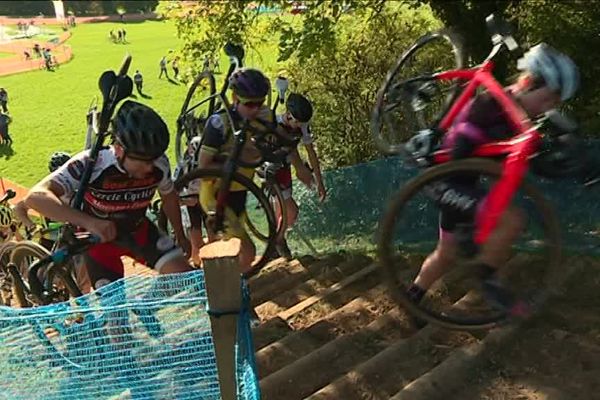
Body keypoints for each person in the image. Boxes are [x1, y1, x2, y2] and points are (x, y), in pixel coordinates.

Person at [404, 43, 580, 320]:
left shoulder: (519, 120)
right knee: (511, 220)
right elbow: (463, 140)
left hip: (461, 185)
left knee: (445, 253)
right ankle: (488, 281)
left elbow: (531, 163)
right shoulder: (491, 103)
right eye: (547, 100)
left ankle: (411, 300)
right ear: (526, 83)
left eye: (554, 105)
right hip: (446, 180)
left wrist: (563, 163)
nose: (547, 109)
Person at [25, 101, 192, 290]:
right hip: (98, 244)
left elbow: (168, 196)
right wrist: (90, 222)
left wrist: (179, 234)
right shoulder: (92, 162)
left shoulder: (158, 162)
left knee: (185, 278)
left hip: (139, 232)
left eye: (153, 160)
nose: (149, 167)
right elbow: (36, 196)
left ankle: (145, 305)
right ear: (119, 149)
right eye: (142, 161)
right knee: (117, 317)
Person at [195, 67, 274, 272]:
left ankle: (226, 287)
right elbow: (203, 165)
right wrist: (238, 160)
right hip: (215, 193)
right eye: (249, 104)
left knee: (225, 249)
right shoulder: (219, 123)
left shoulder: (262, 118)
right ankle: (232, 291)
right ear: (234, 98)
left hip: (240, 192)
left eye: (260, 102)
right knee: (247, 251)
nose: (256, 108)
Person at [273, 93, 326, 259]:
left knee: (287, 214)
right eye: (297, 122)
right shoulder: (274, 123)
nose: (299, 126)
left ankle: (276, 240)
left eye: (302, 124)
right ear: (288, 115)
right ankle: (277, 241)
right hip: (272, 167)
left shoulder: (302, 126)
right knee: (291, 211)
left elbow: (311, 153)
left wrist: (320, 182)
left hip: (285, 166)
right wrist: (300, 168)